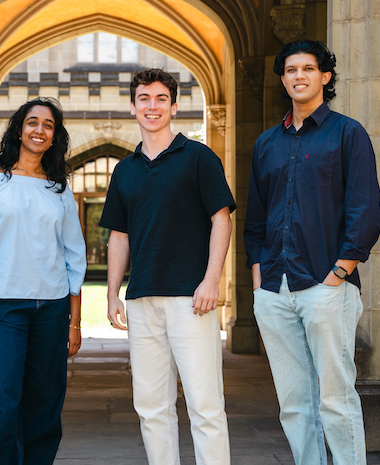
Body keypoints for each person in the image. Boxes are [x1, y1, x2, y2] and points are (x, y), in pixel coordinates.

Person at [244, 40, 380, 465]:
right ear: (282, 79)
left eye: (308, 68)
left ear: (325, 76)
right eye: (290, 70)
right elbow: (256, 218)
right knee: (293, 403)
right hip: (274, 288)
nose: (298, 76)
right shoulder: (266, 143)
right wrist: (258, 280)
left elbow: (366, 210)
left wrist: (339, 273)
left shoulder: (348, 133)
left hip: (327, 286)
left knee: (336, 400)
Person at [100, 68, 235, 465]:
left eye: (161, 99)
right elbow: (118, 237)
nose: (152, 106)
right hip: (142, 300)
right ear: (132, 107)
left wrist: (211, 280)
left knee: (205, 405)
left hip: (191, 299)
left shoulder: (198, 157)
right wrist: (111, 294)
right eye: (144, 99)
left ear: (174, 106)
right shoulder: (125, 170)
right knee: (151, 406)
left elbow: (222, 219)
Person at [0, 98, 86, 465]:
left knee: (45, 404)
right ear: (19, 129)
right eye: (32, 122)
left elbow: (74, 255)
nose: (39, 130)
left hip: (51, 309)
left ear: (55, 136)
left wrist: (74, 322)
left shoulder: (59, 188)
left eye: (48, 125)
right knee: (3, 400)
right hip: (3, 308)